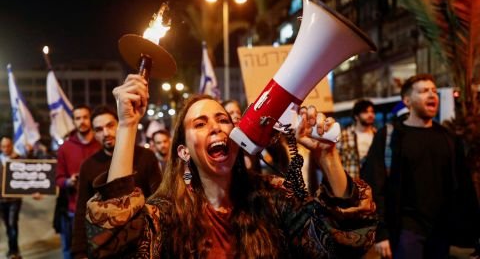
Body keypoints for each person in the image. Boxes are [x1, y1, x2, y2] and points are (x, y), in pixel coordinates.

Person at [85, 74, 377, 258]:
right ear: (184, 151)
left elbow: (346, 246)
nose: (216, 127)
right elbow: (110, 245)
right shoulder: (165, 215)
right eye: (200, 123)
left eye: (223, 119)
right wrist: (127, 125)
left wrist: (328, 158)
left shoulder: (273, 197)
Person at [362, 74, 480, 259]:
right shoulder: (390, 136)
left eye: (434, 91)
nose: (432, 95)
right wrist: (381, 233)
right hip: (406, 231)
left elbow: (463, 188)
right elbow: (376, 187)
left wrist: (471, 235)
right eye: (424, 91)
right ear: (407, 100)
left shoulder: (448, 138)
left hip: (441, 231)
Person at [71, 105, 162, 259]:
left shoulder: (145, 157)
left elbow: (159, 199)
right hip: (105, 246)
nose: (106, 133)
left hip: (143, 243)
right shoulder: (88, 166)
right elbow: (81, 210)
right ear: (93, 133)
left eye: (110, 125)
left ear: (120, 124)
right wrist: (79, 252)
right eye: (99, 129)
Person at [54, 105, 101, 259]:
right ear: (73, 121)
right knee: (71, 252)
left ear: (91, 119)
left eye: (85, 117)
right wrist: (69, 182)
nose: (82, 121)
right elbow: (58, 178)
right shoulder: (65, 148)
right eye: (78, 118)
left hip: (100, 210)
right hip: (72, 210)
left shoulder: (101, 143)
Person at [336, 99, 376, 180]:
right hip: (351, 183)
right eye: (365, 112)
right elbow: (336, 160)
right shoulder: (344, 135)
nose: (370, 115)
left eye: (372, 112)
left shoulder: (377, 135)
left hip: (372, 183)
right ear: (356, 116)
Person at [0, 137, 22, 259]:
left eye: (8, 146)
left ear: (12, 146)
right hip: (1, 200)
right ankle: (13, 249)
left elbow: (30, 175)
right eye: (3, 146)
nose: (6, 148)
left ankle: (14, 252)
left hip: (14, 199)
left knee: (12, 223)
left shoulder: (18, 159)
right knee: (8, 226)